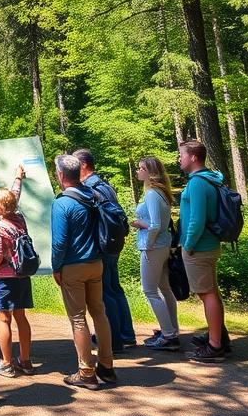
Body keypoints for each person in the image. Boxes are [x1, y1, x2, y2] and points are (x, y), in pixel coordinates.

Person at [51, 154, 116, 390]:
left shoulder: (62, 203)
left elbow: (59, 243)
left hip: (73, 266)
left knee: (78, 318)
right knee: (99, 312)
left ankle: (86, 371)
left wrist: (56, 268)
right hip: (96, 263)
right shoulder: (93, 195)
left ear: (60, 175)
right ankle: (107, 367)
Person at [73, 148, 136, 351]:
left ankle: (113, 339)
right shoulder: (104, 185)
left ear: (83, 166)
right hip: (113, 242)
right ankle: (126, 334)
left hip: (102, 245)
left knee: (105, 293)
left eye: (75, 164)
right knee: (115, 289)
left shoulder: (90, 188)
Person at [178, 140, 230, 362]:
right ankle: (219, 336)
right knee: (211, 293)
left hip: (199, 247)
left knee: (206, 294)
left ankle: (215, 346)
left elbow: (197, 219)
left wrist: (188, 245)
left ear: (193, 157)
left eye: (181, 155)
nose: (179, 159)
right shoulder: (207, 179)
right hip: (208, 245)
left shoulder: (198, 183)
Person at [130, 157, 180, 351]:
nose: (137, 171)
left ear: (150, 173)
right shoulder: (161, 193)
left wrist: (146, 240)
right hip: (163, 245)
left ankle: (168, 335)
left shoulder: (152, 194)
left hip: (153, 247)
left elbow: (156, 225)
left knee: (150, 291)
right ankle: (172, 330)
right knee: (165, 288)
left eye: (141, 168)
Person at [0, 165, 35, 377]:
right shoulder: (20, 219)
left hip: (6, 279)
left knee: (4, 319)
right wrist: (18, 178)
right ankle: (25, 361)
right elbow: (14, 195)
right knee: (21, 317)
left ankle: (7, 364)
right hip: (23, 276)